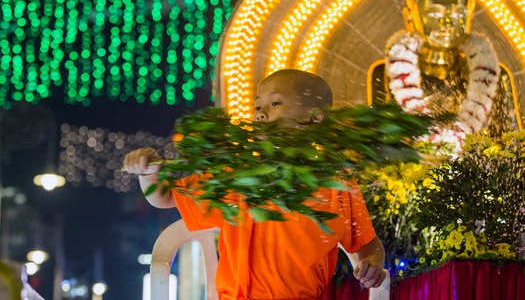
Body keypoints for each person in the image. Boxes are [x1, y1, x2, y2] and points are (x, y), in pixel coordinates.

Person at [124, 69, 386, 299]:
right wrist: (149, 173)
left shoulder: (336, 181)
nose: (261, 114)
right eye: (257, 107)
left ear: (315, 117)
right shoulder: (237, 175)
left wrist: (372, 264)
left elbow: (367, 244)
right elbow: (164, 197)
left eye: (275, 103)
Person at [368, 0, 521, 153]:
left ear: (469, 16)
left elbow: (513, 150)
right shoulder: (387, 74)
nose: (447, 23)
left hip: (477, 181)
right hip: (409, 179)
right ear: (409, 17)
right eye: (435, 13)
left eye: (457, 13)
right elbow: (377, 150)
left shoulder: (493, 78)